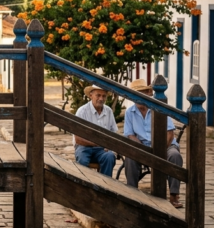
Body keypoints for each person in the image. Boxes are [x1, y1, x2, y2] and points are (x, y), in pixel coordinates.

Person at [122, 78, 184, 208]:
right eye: (135, 94)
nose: (139, 97)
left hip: (164, 145)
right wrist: (142, 147)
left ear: (148, 93)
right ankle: (132, 194)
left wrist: (159, 149)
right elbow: (130, 134)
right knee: (130, 157)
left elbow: (170, 133)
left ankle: (174, 195)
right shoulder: (130, 112)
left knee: (174, 155)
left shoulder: (158, 108)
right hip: (142, 146)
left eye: (142, 93)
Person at [74, 84, 118, 176]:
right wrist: (98, 143)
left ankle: (105, 188)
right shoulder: (82, 111)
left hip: (102, 149)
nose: (101, 98)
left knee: (109, 157)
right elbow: (78, 139)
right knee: (82, 160)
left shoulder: (108, 111)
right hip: (84, 147)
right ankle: (83, 188)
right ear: (91, 95)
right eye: (98, 95)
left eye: (104, 96)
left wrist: (109, 146)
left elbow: (113, 133)